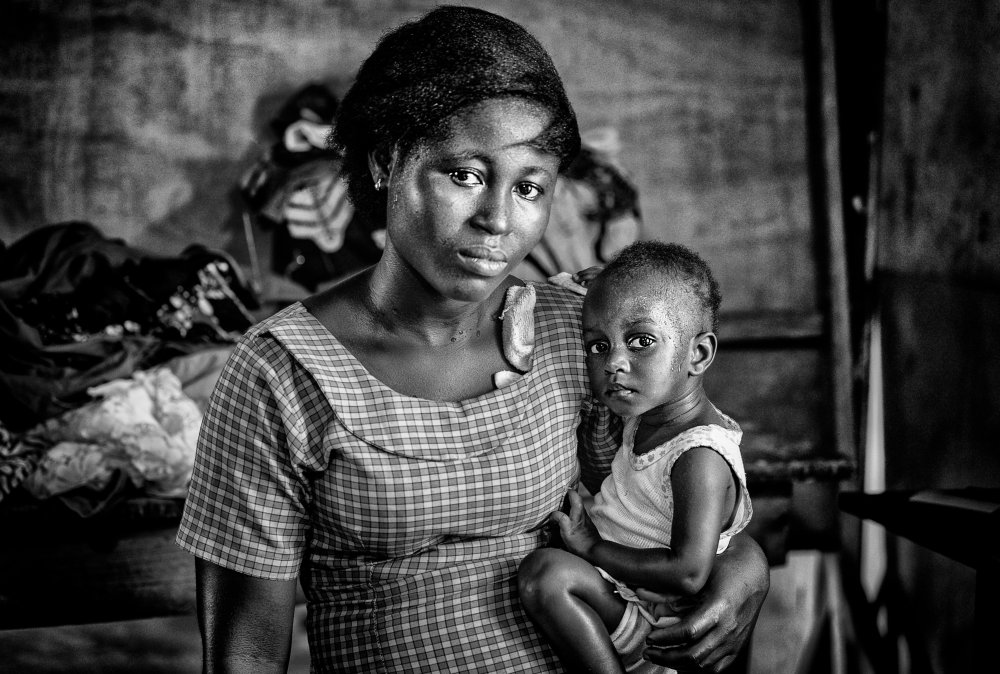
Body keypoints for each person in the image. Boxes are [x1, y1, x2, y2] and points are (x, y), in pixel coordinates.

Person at [175, 6, 769, 673]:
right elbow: (246, 655)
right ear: (385, 160)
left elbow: (676, 475)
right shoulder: (279, 375)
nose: (496, 220)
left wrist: (747, 563)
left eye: (529, 186)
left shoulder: (577, 330)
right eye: (465, 175)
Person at [518, 241, 753, 673]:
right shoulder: (647, 414)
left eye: (641, 341)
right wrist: (594, 284)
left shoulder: (698, 454)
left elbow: (688, 572)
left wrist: (591, 546)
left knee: (546, 574)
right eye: (597, 346)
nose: (613, 363)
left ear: (698, 354)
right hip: (620, 594)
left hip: (653, 623)